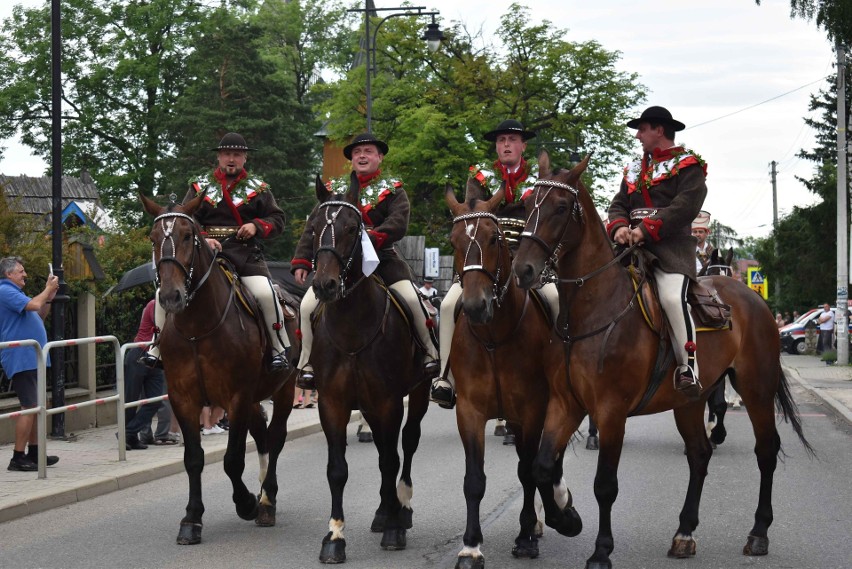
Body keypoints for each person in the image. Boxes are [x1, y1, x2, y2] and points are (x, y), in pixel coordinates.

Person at [429, 119, 560, 409]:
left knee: (555, 299)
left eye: (512, 140)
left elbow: (545, 219)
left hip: (528, 256)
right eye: (501, 140)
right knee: (449, 305)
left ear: (523, 146)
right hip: (484, 256)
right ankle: (445, 376)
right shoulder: (479, 178)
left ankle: (562, 372)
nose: (506, 145)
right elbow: (469, 217)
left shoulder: (540, 178)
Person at [290, 133, 439, 386]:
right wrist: (302, 260)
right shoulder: (333, 192)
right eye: (357, 152)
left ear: (379, 157)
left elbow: (398, 222)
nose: (361, 156)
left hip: (383, 261)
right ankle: (307, 363)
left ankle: (429, 354)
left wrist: (373, 236)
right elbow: (314, 228)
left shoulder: (394, 190)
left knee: (414, 301)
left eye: (368, 151)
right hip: (340, 264)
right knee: (305, 308)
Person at [143, 132, 290, 372]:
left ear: (245, 159)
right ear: (219, 157)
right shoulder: (199, 187)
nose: (231, 159)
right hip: (205, 255)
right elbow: (184, 219)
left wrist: (256, 225)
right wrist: (204, 238)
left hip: (244, 255)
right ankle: (157, 346)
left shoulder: (260, 189)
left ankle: (278, 348)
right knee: (163, 292)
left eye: (237, 155)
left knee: (265, 294)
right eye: (227, 154)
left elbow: (278, 219)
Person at [606, 106, 708, 399]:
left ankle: (689, 368)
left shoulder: (688, 166)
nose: (638, 135)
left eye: (642, 129)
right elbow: (618, 204)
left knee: (671, 298)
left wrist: (646, 229)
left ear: (659, 131)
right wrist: (620, 227)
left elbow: (686, 206)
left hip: (671, 250)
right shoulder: (635, 169)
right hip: (629, 249)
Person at [0, 256, 61, 471]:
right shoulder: (5, 291)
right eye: (21, 271)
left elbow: (39, 313)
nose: (25, 274)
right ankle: (17, 457)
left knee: (37, 406)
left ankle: (35, 453)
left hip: (32, 357)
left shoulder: (16, 294)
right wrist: (47, 288)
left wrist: (50, 296)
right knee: (29, 406)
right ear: (9, 274)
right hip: (21, 357)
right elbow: (35, 304)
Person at [120, 299, 169, 450]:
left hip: (155, 359)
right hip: (140, 354)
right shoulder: (154, 305)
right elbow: (161, 326)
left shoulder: (171, 307)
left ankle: (128, 433)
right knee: (131, 400)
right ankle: (130, 437)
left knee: (155, 401)